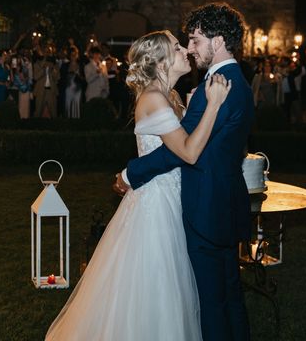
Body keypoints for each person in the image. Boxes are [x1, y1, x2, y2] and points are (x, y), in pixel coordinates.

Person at [47, 30, 231, 340]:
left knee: (169, 287)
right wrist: (213, 106)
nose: (185, 50)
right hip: (155, 208)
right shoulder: (154, 99)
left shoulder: (169, 96)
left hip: (171, 199)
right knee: (156, 286)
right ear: (159, 61)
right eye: (176, 48)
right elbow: (187, 151)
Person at [115, 3, 254, 341]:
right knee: (227, 296)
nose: (190, 48)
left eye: (194, 39)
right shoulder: (237, 82)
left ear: (217, 41)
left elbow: (179, 153)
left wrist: (130, 173)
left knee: (212, 302)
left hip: (205, 208)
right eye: (184, 43)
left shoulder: (215, 88)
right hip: (221, 202)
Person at [60, 46, 84, 118]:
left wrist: (78, 76)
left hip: (78, 89)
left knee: (77, 106)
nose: (73, 56)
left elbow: (84, 79)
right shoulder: (65, 65)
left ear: (77, 55)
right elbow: (61, 78)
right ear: (69, 55)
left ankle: (77, 123)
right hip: (68, 89)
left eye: (75, 54)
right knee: (68, 105)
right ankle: (67, 123)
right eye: (72, 54)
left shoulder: (81, 66)